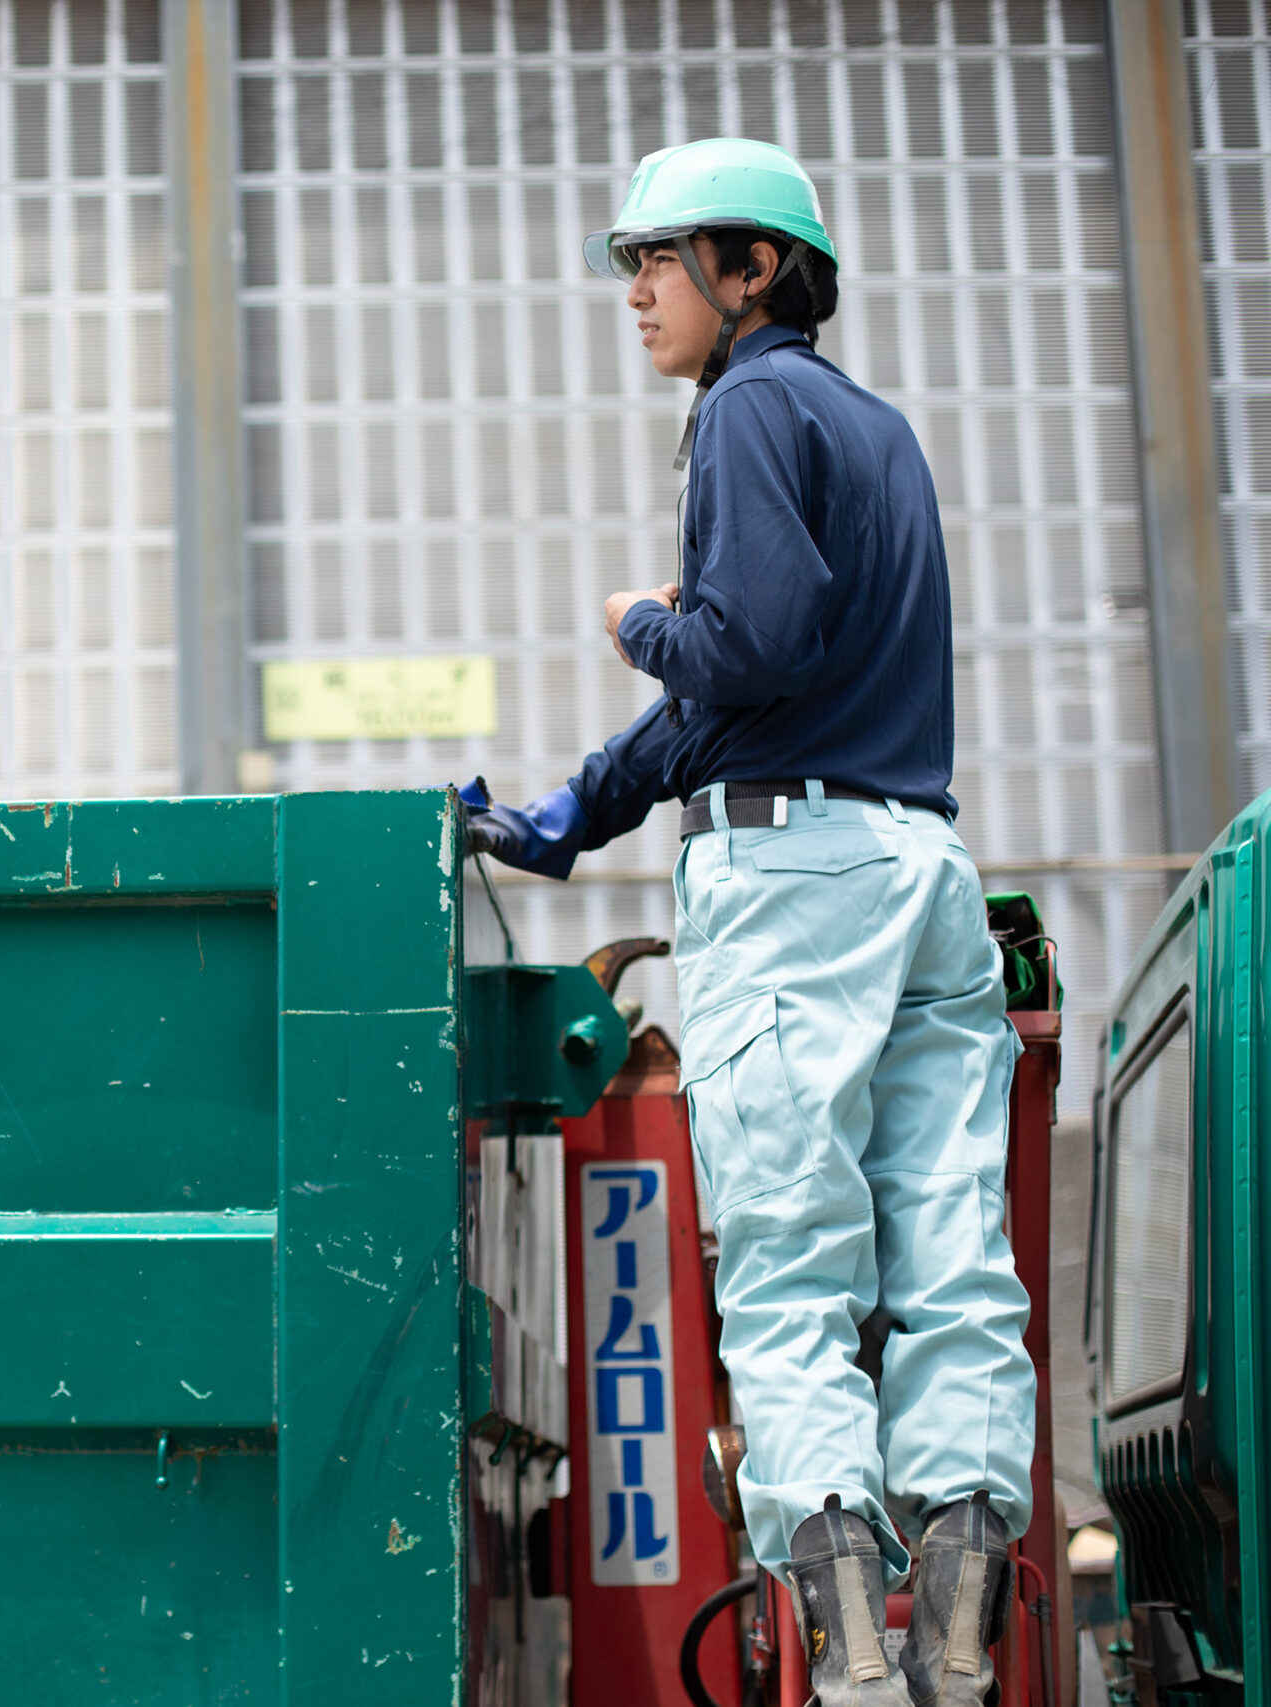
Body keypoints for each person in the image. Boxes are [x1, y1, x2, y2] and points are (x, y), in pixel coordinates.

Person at [457, 139, 1035, 1707]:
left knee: (788, 1268)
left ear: (753, 269)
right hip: (921, 879)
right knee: (952, 1254)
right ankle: (960, 1616)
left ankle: (852, 1660)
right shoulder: (877, 432)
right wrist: (576, 808)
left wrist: (641, 624)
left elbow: (745, 651)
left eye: (657, 258)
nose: (633, 289)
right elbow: (749, 707)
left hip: (795, 895)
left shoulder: (748, 412)